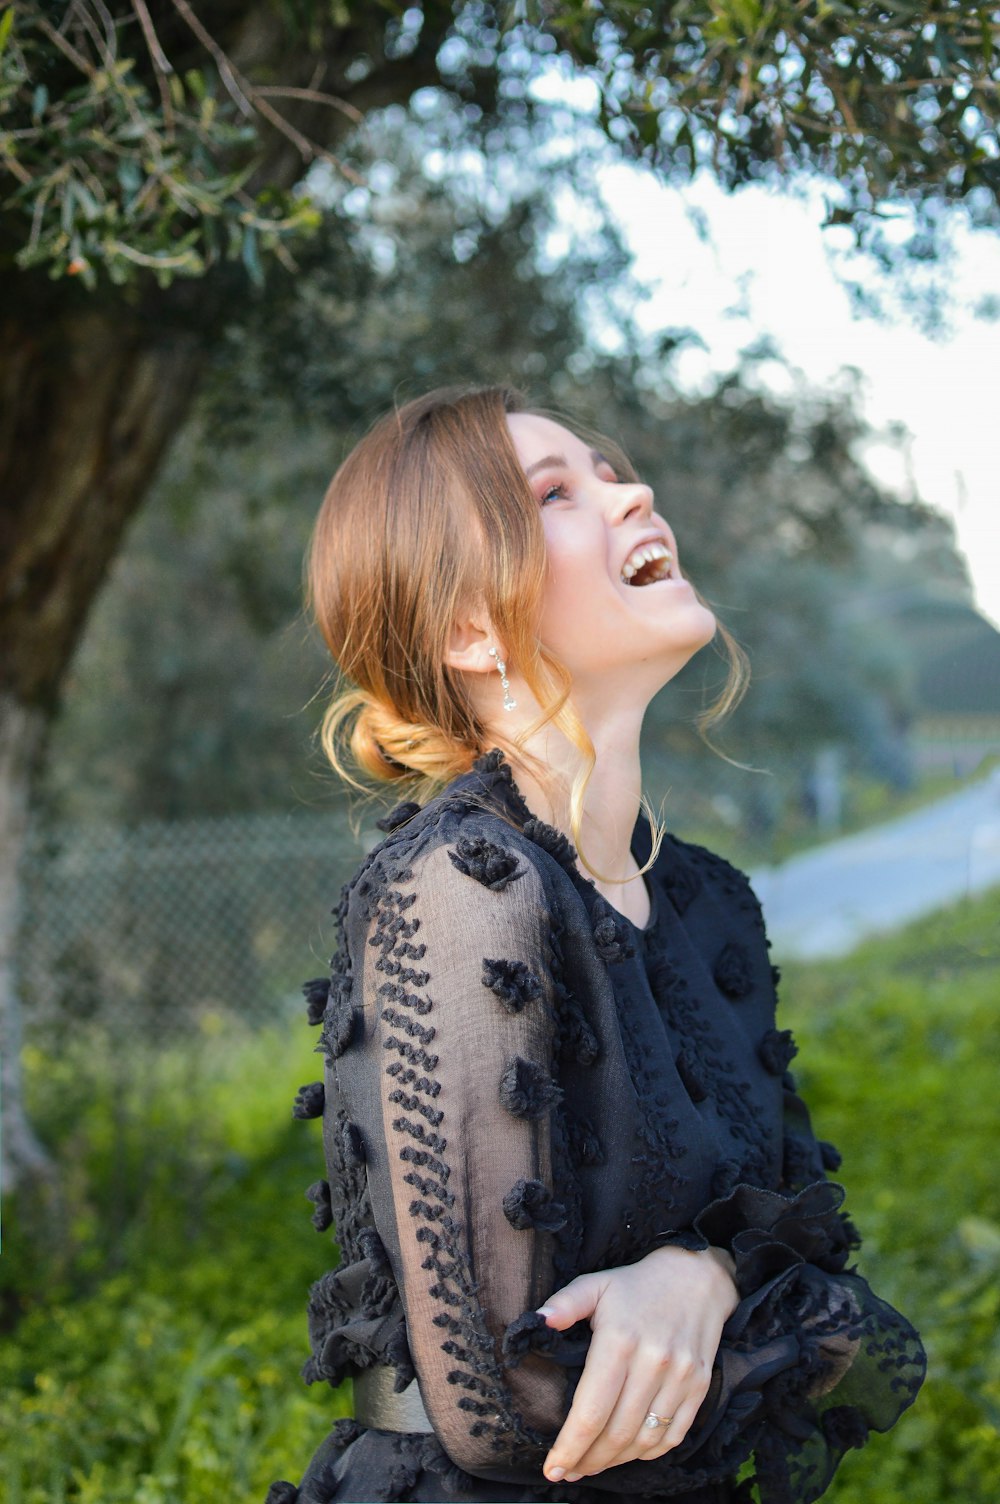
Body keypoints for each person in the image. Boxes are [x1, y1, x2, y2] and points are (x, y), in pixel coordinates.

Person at [266, 385, 925, 1504]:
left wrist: (699, 1277)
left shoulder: (710, 905)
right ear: (470, 625)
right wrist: (759, 1308)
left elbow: (861, 1336)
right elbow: (503, 1411)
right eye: (558, 493)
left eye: (608, 469)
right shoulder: (459, 888)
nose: (634, 493)